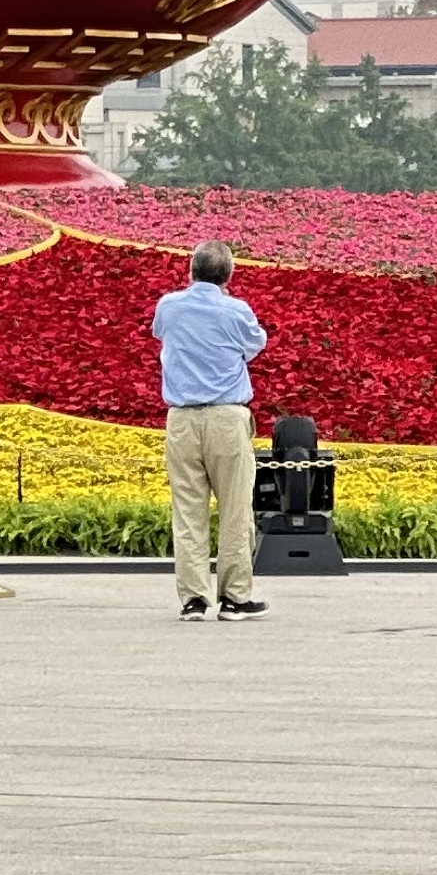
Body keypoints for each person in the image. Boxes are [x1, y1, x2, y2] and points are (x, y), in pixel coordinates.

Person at [153, 238, 270, 618]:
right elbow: (256, 345)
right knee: (235, 510)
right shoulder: (236, 310)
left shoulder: (168, 306)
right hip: (226, 416)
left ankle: (193, 599)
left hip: (182, 419)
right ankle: (235, 597)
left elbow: (160, 333)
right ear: (229, 275)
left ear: (191, 271)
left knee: (188, 512)